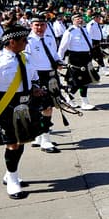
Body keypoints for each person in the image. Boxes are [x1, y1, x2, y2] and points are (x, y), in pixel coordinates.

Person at [0, 23, 39, 199]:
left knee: (21, 141)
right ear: (12, 42)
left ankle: (10, 173)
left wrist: (36, 88)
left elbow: (33, 78)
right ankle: (12, 181)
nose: (26, 43)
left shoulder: (26, 58)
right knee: (12, 143)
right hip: (4, 105)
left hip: (24, 104)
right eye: (23, 40)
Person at [26, 15, 64, 152]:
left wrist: (58, 61)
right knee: (43, 108)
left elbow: (54, 53)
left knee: (48, 106)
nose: (39, 28)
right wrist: (32, 81)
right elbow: (27, 62)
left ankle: (40, 137)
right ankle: (45, 140)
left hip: (51, 75)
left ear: (46, 26)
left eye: (42, 25)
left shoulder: (49, 37)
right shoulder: (28, 41)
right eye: (36, 25)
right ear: (31, 26)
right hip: (37, 76)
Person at [60, 14, 98, 110]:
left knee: (85, 81)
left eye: (81, 18)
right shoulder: (70, 31)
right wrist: (59, 61)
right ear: (73, 21)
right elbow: (62, 47)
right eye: (77, 19)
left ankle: (70, 99)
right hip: (75, 58)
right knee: (78, 82)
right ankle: (82, 102)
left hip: (86, 57)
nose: (80, 20)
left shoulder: (84, 29)